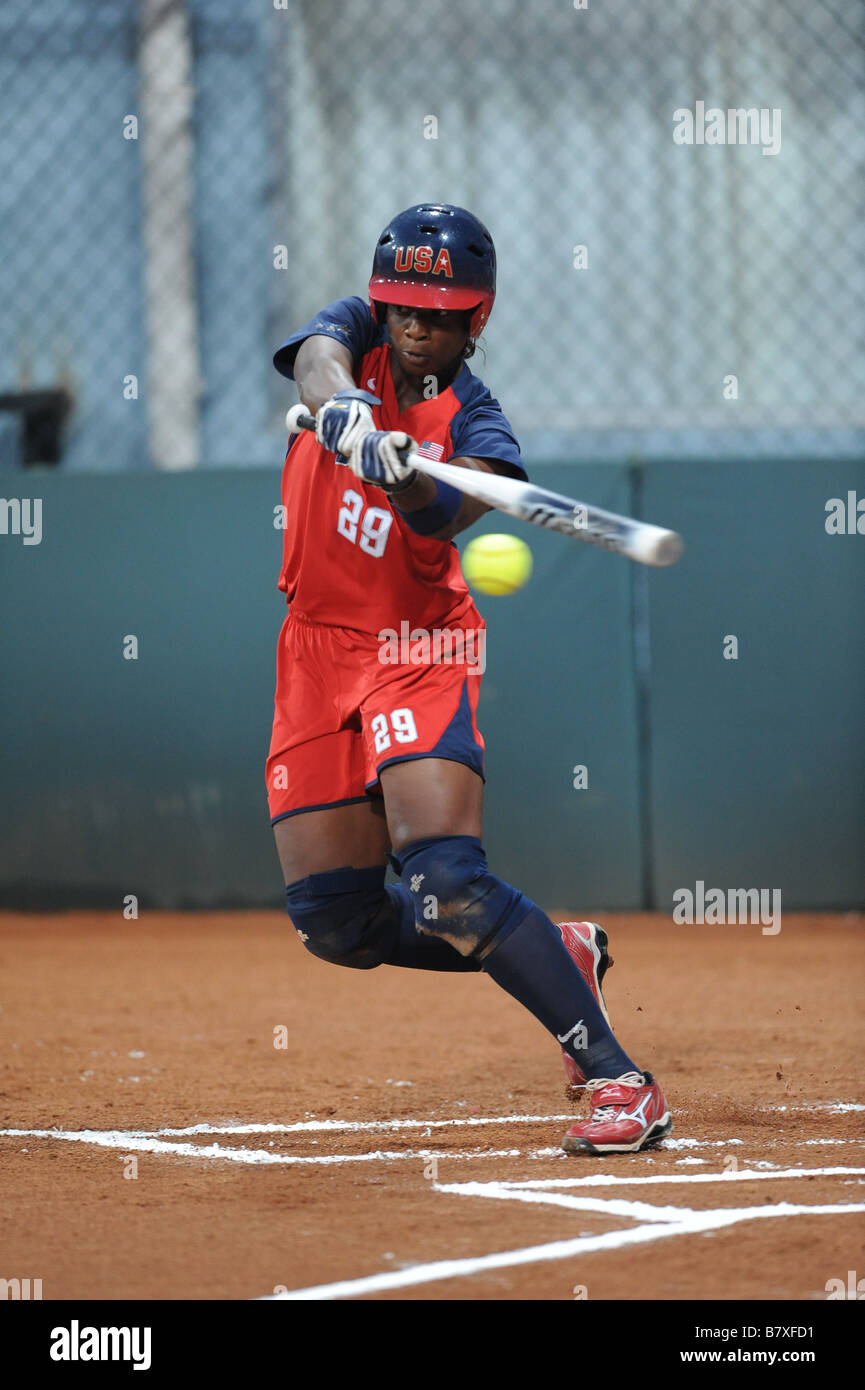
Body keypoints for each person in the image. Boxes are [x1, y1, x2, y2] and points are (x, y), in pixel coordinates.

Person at [267, 203, 671, 1154]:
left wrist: (402, 472)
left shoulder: (480, 427)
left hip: (419, 649)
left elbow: (438, 517)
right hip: (314, 650)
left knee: (445, 881)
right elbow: (315, 363)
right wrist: (351, 416)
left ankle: (619, 1079)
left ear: (474, 320)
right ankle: (558, 951)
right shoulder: (352, 337)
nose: (415, 327)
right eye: (403, 306)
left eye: (440, 314)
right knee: (338, 921)